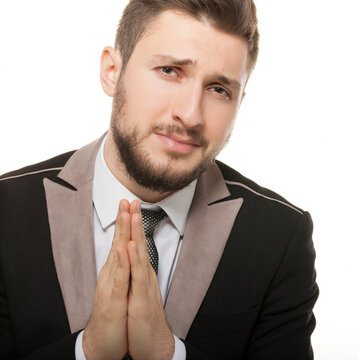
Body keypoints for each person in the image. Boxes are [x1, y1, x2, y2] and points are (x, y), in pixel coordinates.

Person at [0, 0, 318, 359]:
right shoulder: (7, 211)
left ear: (239, 102)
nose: (190, 114)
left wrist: (167, 353)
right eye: (170, 70)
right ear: (111, 71)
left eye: (218, 90)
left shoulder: (279, 236)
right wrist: (87, 351)